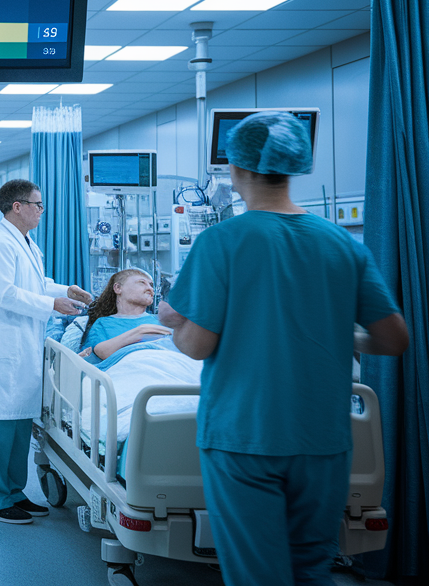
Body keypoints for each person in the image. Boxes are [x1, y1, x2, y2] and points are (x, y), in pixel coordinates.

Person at [159, 112, 408, 586]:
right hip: (322, 439)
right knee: (312, 569)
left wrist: (176, 323)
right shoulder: (342, 243)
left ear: (237, 171)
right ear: (294, 166)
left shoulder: (222, 241)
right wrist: (335, 332)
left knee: (258, 575)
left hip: (244, 436)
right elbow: (394, 339)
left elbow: (195, 346)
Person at [0, 179, 93, 525]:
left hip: (23, 345)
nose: (42, 211)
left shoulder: (26, 243)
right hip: (3, 345)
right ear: (18, 206)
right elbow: (5, 293)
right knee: (0, 424)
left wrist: (64, 289)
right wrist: (51, 303)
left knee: (19, 424)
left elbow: (35, 284)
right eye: (38, 205)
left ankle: (13, 491)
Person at [76, 268, 171, 369]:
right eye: (142, 283)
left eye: (151, 285)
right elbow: (99, 354)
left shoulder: (162, 321)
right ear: (118, 288)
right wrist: (139, 333)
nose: (150, 289)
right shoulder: (103, 324)